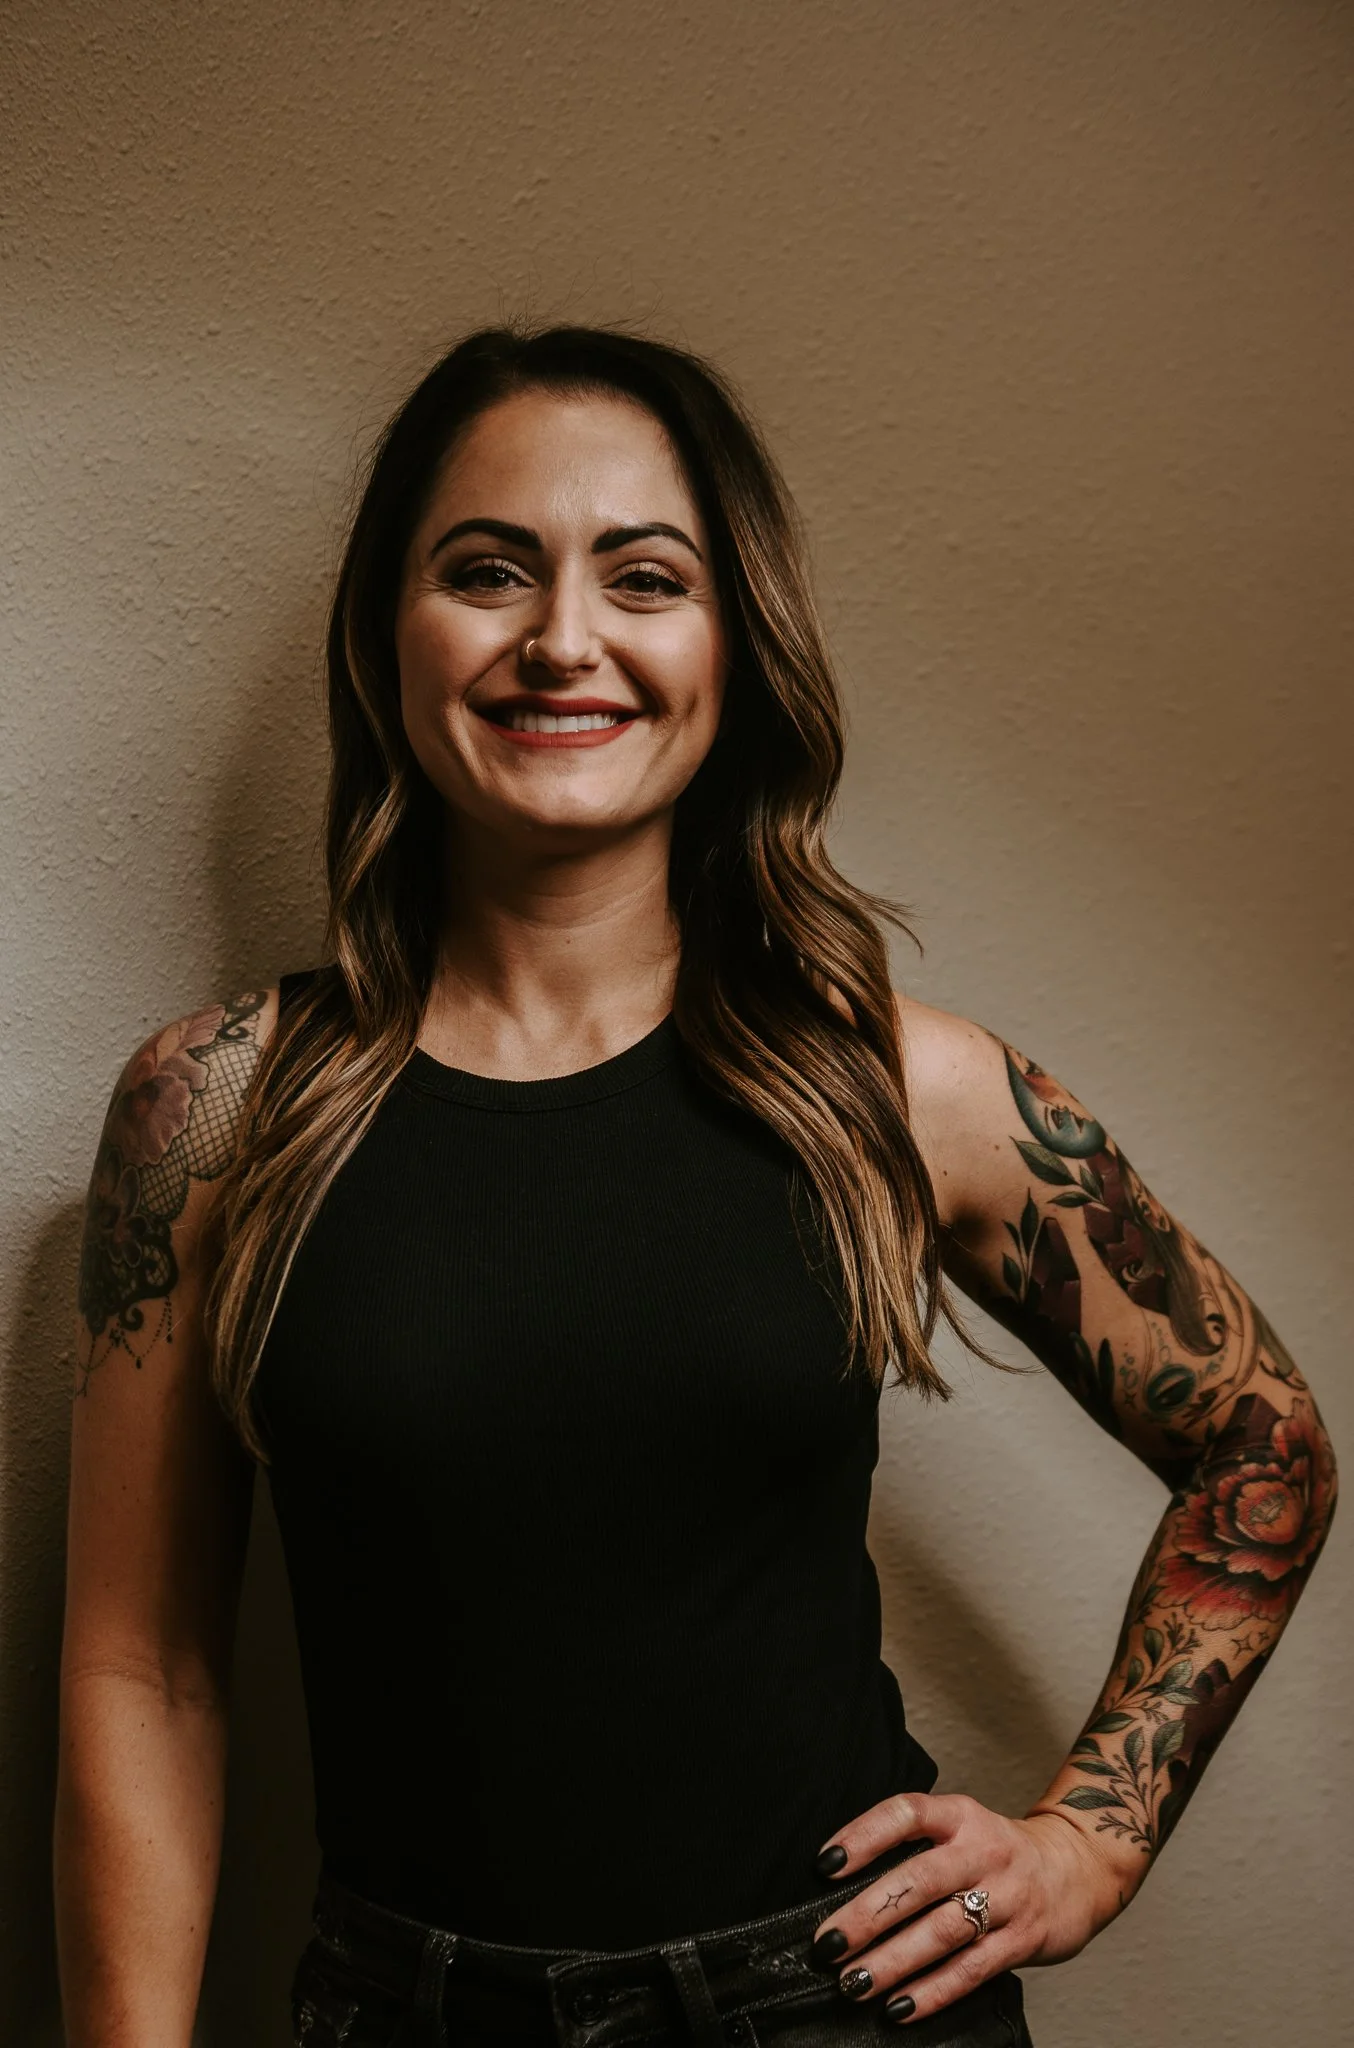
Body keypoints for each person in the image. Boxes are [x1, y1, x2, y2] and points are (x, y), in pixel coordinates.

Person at [54, 326, 1338, 2048]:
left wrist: (1083, 1845)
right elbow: (143, 1672)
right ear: (385, 635)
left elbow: (1262, 1443)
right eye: (486, 570)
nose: (560, 638)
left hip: (830, 2003)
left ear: (734, 647)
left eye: (645, 578)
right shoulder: (215, 1108)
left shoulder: (894, 1087)